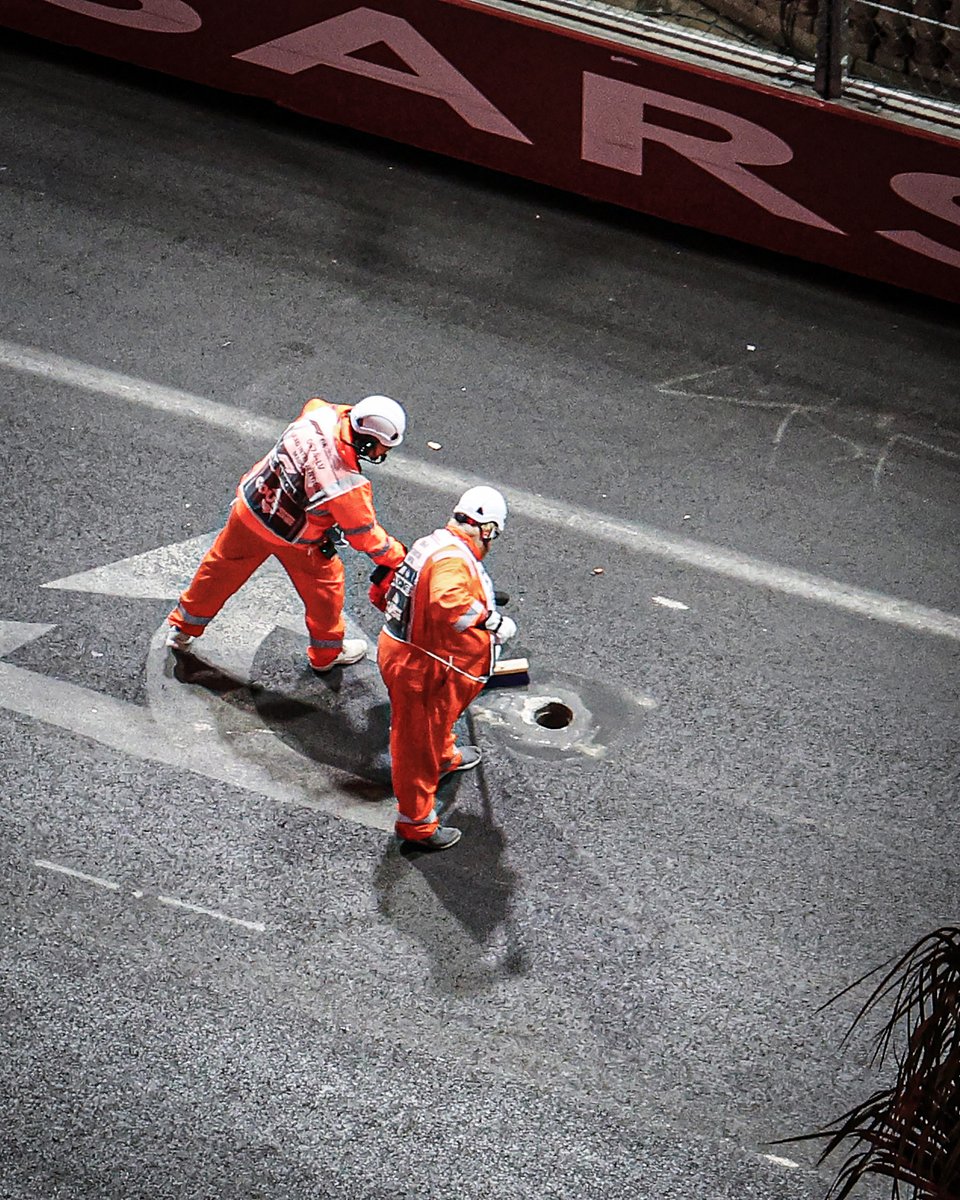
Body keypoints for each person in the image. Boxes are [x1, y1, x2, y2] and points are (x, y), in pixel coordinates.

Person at [165, 394, 407, 673]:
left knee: (218, 571)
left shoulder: (320, 414)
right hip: (296, 539)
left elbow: (323, 406)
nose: (382, 455)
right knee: (325, 592)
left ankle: (182, 629)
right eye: (381, 448)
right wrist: (397, 556)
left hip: (251, 510)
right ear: (366, 441)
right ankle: (326, 655)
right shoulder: (346, 484)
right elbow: (364, 536)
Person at [373, 486, 517, 851]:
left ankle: (444, 757)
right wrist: (490, 620)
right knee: (414, 746)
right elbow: (446, 601)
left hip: (418, 657)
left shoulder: (437, 543)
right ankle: (417, 824)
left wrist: (482, 596)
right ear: (488, 529)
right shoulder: (453, 560)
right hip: (421, 668)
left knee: (435, 723)